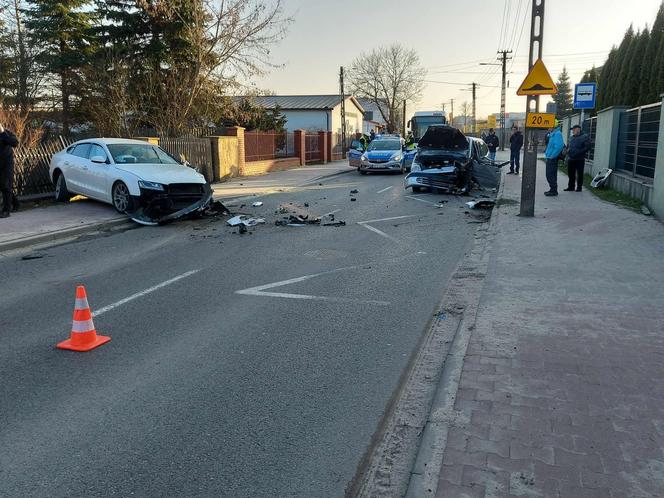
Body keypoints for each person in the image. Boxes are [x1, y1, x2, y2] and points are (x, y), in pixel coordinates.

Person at [564, 124, 591, 192]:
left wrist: (579, 152)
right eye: (572, 130)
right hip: (571, 158)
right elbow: (568, 146)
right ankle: (571, 187)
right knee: (571, 174)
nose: (572, 131)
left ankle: (579, 187)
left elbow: (587, 147)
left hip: (580, 159)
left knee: (580, 174)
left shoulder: (585, 137)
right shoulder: (571, 137)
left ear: (578, 130)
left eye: (573, 129)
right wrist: (566, 150)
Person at [0, 124, 19, 218]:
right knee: (3, 186)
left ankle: (6, 211)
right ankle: (15, 203)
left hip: (6, 164)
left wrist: (3, 133)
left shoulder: (6, 133)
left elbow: (15, 143)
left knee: (5, 185)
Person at [543, 125, 564, 196]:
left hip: (552, 158)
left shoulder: (557, 134)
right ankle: (552, 189)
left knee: (550, 174)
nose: (548, 128)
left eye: (549, 126)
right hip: (550, 157)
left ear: (553, 126)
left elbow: (559, 146)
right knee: (551, 174)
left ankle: (553, 190)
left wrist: (553, 155)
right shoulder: (553, 134)